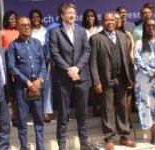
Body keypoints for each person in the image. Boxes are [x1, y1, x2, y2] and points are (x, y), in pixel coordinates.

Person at [49, 3, 94, 150]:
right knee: (63, 113)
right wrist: (69, 69)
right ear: (62, 15)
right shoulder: (55, 31)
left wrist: (77, 68)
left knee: (82, 111)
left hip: (81, 76)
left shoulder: (81, 31)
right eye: (69, 12)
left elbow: (87, 51)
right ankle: (61, 144)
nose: (72, 15)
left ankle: (84, 142)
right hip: (64, 77)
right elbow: (54, 53)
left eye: (74, 13)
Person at [89, 12, 136, 150]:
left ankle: (124, 136)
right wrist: (96, 82)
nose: (110, 22)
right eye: (106, 20)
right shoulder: (96, 38)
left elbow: (127, 60)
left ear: (116, 22)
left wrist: (129, 78)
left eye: (112, 20)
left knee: (122, 108)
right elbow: (92, 63)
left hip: (121, 78)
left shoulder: (123, 36)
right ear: (102, 22)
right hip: (105, 80)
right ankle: (109, 138)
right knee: (107, 109)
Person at [7, 17, 46, 150]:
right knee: (22, 122)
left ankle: (41, 147)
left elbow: (43, 64)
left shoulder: (37, 43)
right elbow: (12, 67)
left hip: (37, 87)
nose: (27, 27)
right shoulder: (13, 46)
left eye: (28, 25)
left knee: (39, 121)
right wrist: (27, 81)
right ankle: (24, 147)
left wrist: (40, 79)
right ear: (17, 27)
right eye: (23, 25)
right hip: (21, 89)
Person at [29, 9, 53, 123]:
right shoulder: (29, 32)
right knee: (36, 86)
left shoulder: (46, 30)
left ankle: (47, 112)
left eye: (37, 17)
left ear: (41, 18)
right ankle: (37, 112)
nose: (35, 19)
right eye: (33, 17)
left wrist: (48, 57)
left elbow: (50, 45)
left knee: (47, 87)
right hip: (34, 62)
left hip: (47, 62)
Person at [0, 10, 19, 127]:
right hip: (7, 66)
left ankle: (18, 116)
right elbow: (0, 51)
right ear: (6, 19)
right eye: (11, 18)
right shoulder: (2, 32)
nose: (13, 21)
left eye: (15, 18)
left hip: (19, 67)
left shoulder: (18, 32)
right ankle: (12, 117)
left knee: (18, 94)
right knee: (10, 94)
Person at [113, 12, 134, 128]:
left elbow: (132, 50)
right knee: (116, 97)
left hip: (127, 68)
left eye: (120, 18)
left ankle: (128, 119)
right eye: (115, 19)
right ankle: (118, 121)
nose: (118, 20)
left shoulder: (127, 34)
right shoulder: (108, 35)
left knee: (128, 95)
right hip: (114, 70)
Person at [82, 8, 103, 117]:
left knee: (100, 82)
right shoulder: (81, 31)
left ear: (95, 17)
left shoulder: (100, 29)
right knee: (91, 85)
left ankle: (102, 106)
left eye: (92, 16)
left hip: (100, 60)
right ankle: (95, 107)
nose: (90, 18)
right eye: (88, 16)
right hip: (86, 61)